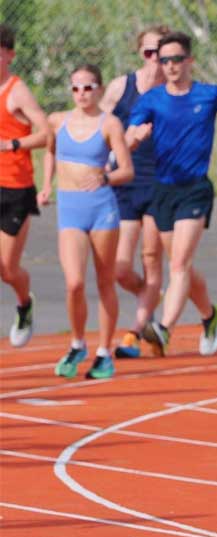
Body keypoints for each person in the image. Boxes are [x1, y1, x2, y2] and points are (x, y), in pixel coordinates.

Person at [126, 31, 217, 357]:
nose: (170, 66)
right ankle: (210, 315)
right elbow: (127, 137)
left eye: (177, 59)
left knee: (178, 264)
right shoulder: (151, 99)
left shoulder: (210, 95)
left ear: (190, 61)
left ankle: (163, 330)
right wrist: (135, 138)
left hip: (195, 188)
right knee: (181, 264)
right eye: (164, 60)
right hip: (163, 189)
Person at [37, 64, 134, 379]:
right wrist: (46, 184)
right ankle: (77, 342)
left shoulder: (110, 124)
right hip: (70, 209)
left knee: (105, 281)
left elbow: (126, 170)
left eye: (89, 87)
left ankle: (104, 351)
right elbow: (49, 151)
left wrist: (105, 177)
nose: (82, 93)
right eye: (76, 88)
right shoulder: (57, 121)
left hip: (102, 210)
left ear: (100, 90)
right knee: (74, 282)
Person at [99, 24, 168, 359]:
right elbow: (101, 127)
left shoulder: (175, 91)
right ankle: (150, 301)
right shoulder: (121, 87)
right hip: (126, 180)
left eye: (162, 52)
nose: (155, 59)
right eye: (149, 52)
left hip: (161, 182)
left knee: (152, 258)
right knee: (120, 268)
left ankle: (135, 332)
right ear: (140, 53)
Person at [0, 24, 49, 348]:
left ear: (9, 55)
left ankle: (24, 302)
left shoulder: (17, 91)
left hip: (14, 189)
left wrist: (12, 145)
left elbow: (46, 134)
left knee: (6, 269)